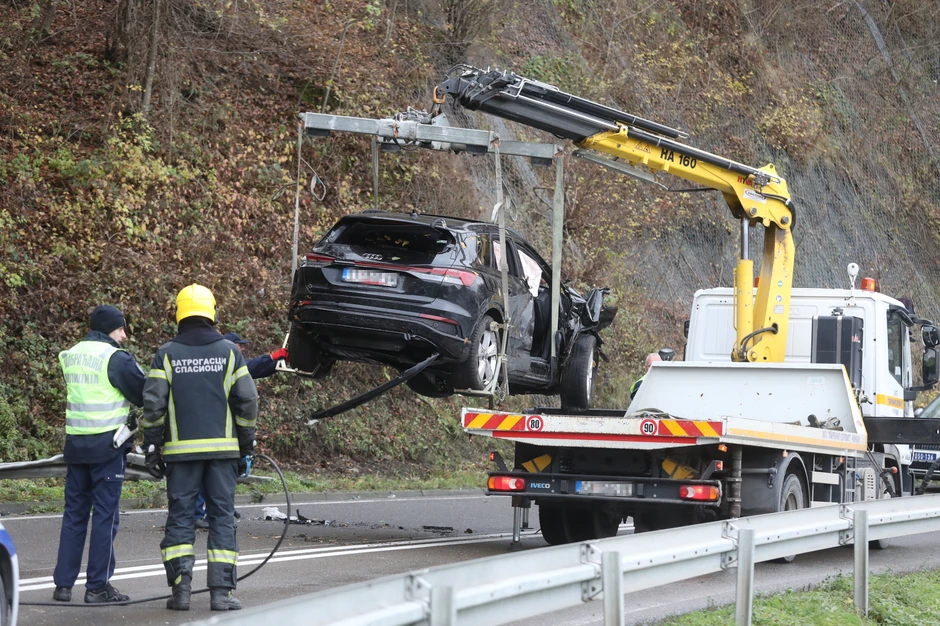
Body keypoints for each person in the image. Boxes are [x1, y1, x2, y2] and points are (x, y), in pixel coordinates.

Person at [141, 284, 258, 612]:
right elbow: (247, 400)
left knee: (180, 518)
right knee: (221, 517)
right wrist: (245, 446)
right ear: (213, 312)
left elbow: (153, 403)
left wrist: (151, 446)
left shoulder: (166, 354)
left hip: (181, 455)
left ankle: (180, 593)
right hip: (223, 454)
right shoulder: (230, 352)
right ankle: (221, 594)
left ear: (179, 314)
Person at [53, 305, 145, 604]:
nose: (124, 334)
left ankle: (63, 586)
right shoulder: (115, 358)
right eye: (121, 328)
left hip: (76, 447)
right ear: (110, 328)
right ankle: (97, 587)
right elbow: (143, 393)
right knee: (106, 517)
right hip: (107, 448)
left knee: (74, 516)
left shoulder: (71, 354)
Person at [192, 331, 286, 528]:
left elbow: (255, 370)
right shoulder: (222, 363)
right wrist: (271, 358)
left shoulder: (226, 363)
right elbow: (251, 367)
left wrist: (276, 363)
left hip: (225, 428)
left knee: (224, 473)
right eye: (239, 345)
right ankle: (198, 514)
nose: (242, 349)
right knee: (208, 471)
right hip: (215, 429)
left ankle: (219, 509)